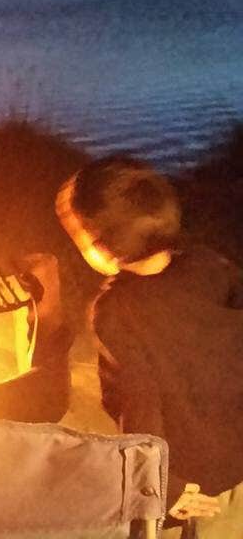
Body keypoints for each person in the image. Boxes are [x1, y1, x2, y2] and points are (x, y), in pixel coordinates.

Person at [56, 155, 242, 537]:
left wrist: (162, 487)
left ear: (100, 249)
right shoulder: (210, 265)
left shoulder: (115, 313)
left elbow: (139, 405)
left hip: (196, 479)